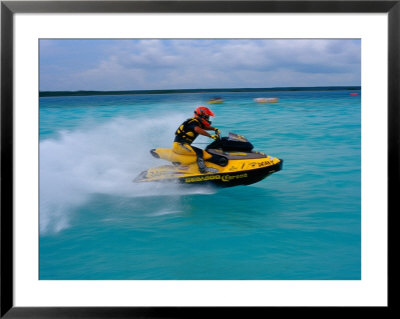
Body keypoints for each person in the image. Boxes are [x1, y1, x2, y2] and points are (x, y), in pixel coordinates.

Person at [173, 106, 221, 173]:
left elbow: (204, 127)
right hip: (180, 145)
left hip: (183, 145)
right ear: (201, 116)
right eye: (207, 117)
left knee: (200, 152)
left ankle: (190, 166)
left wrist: (214, 129)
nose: (208, 118)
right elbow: (197, 129)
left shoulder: (196, 122)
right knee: (199, 152)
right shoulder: (192, 122)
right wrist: (211, 136)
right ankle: (202, 169)